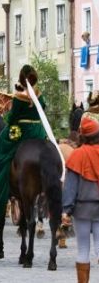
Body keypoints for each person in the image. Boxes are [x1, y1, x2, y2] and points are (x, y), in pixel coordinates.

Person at [0, 64, 46, 221]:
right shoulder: (39, 95)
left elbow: (13, 117)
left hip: (22, 131)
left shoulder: (19, 96)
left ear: (22, 79)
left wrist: (9, 119)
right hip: (39, 132)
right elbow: (43, 110)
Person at [62, 117, 99, 283]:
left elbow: (71, 186)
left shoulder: (77, 155)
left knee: (83, 250)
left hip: (82, 210)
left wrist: (66, 210)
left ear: (82, 136)